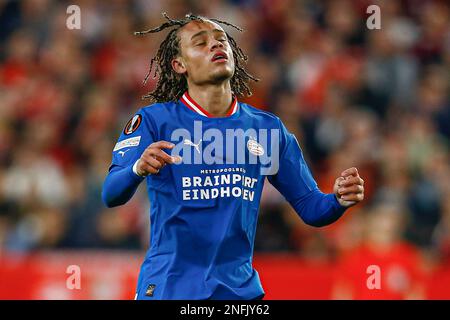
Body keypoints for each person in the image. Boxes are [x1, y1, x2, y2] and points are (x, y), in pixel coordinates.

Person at [102, 13, 364, 300]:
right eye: (200, 43)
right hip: (170, 288)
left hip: (239, 293)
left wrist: (338, 200)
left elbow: (311, 207)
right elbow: (111, 193)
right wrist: (138, 168)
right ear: (179, 65)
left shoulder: (266, 130)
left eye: (221, 41)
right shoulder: (155, 121)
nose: (216, 47)